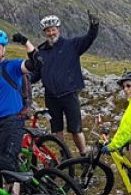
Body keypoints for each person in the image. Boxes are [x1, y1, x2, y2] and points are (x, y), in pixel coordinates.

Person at [30, 12, 99, 154]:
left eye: (53, 29)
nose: (51, 33)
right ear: (44, 33)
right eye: (48, 30)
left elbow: (89, 39)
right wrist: (23, 81)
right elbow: (36, 73)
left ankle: (83, 153)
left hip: (69, 94)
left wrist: (94, 27)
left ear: (58, 29)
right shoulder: (41, 51)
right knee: (56, 130)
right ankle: (64, 155)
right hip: (51, 96)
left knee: (75, 129)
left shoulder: (72, 45)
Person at [0, 30, 41, 175]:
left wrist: (25, 42)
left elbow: (36, 63)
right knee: (3, 158)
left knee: (7, 161)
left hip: (12, 120)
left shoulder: (12, 66)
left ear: (3, 49)